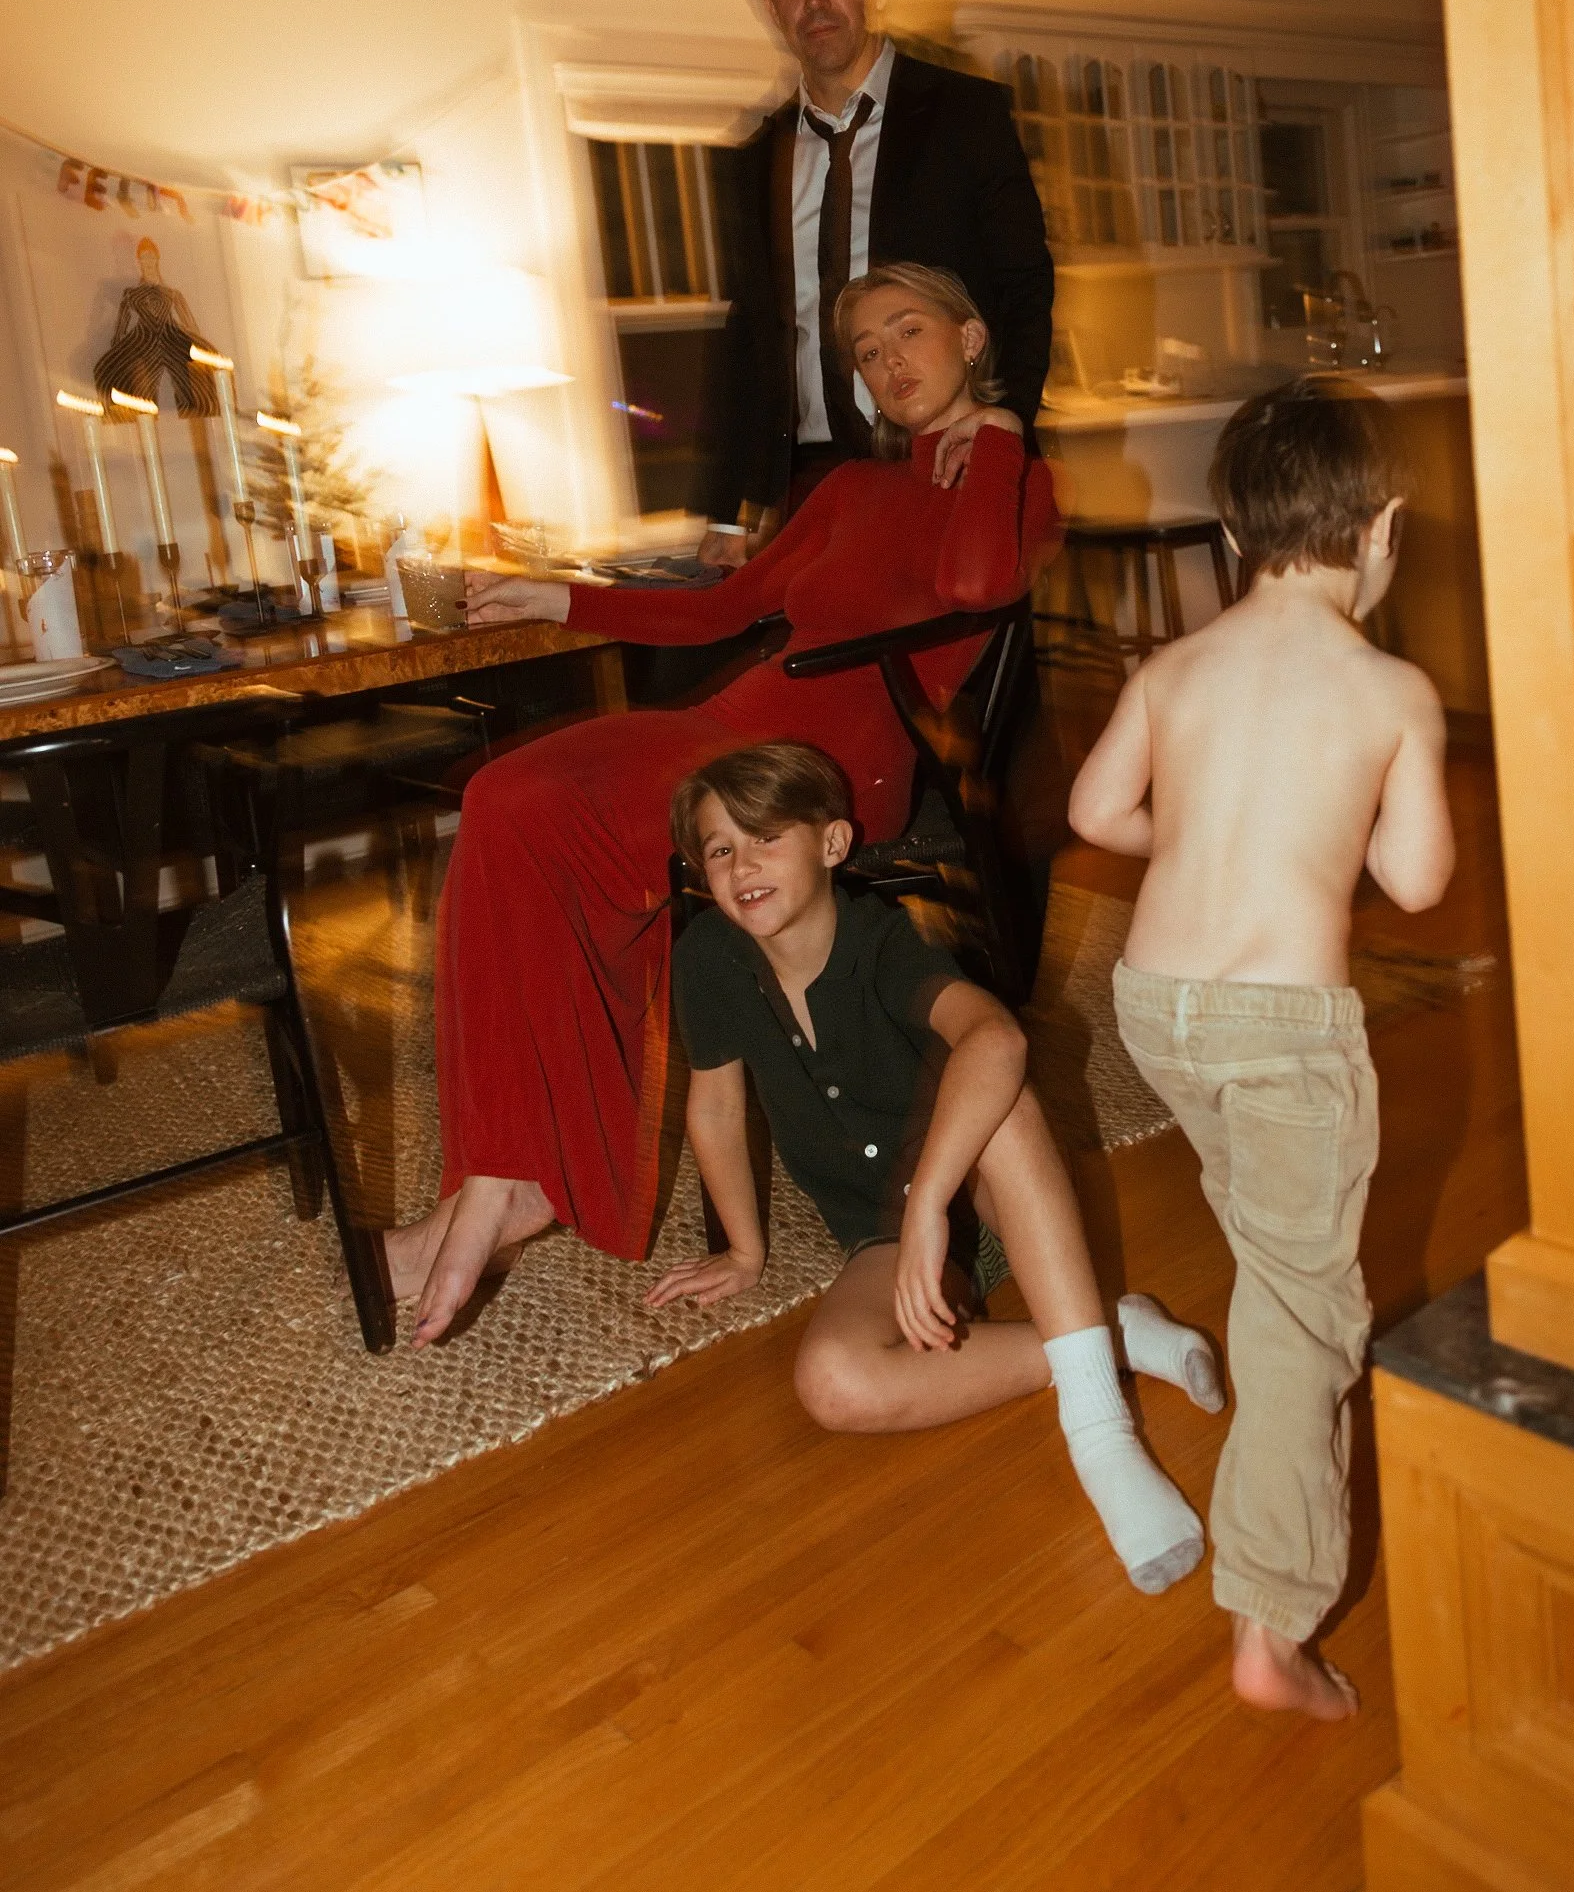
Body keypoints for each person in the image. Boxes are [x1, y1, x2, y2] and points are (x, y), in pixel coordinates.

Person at [386, 263, 1060, 1348]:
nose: (889, 363)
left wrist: (999, 434)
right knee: (505, 797)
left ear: (972, 336)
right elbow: (726, 610)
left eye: (909, 332)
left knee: (569, 830)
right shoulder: (849, 486)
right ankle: (502, 1175)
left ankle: (518, 1181)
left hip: (827, 765)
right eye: (867, 351)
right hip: (732, 724)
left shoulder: (1017, 480)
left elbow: (980, 583)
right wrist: (557, 598)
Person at [1067, 377, 1455, 1719]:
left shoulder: (1172, 669)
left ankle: (1266, 1328)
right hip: (1283, 1030)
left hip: (1157, 1006)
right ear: (1383, 527)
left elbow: (1095, 809)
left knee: (1268, 1243)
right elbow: (1415, 880)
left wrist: (1188, 837)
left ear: (1232, 534)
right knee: (1305, 1313)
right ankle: (1270, 1621)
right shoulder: (1389, 688)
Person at [646, 740, 1222, 1595]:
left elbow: (998, 1039)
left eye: (765, 837)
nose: (741, 865)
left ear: (832, 844)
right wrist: (743, 1250)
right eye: (719, 849)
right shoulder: (708, 958)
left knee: (1003, 1101)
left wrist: (928, 1210)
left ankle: (1099, 1431)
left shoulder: (885, 940)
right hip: (881, 1230)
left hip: (981, 1193)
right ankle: (1107, 1337)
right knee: (833, 1384)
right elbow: (717, 1108)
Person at [698, 0, 1054, 565]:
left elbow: (1025, 284)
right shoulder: (755, 159)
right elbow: (753, 333)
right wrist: (728, 507)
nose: (815, 0)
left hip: (947, 462)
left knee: (962, 637)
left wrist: (1004, 421)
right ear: (769, 3)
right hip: (810, 483)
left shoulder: (965, 117)